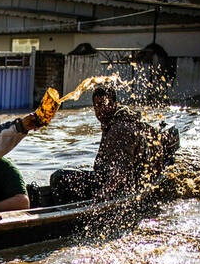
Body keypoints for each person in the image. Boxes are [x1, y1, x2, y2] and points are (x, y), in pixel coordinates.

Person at [49, 84, 180, 203]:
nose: (100, 110)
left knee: (60, 178)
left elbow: (121, 171)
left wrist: (105, 191)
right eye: (96, 106)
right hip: (117, 179)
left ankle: (65, 209)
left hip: (122, 186)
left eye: (104, 104)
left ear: (114, 104)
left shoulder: (120, 129)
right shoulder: (115, 121)